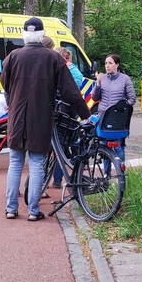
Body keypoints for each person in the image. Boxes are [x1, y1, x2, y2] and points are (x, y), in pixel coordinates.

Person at [1, 16, 89, 221]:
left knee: (15, 163)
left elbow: (5, 84)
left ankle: (11, 208)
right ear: (42, 35)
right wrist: (85, 114)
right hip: (40, 118)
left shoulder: (13, 57)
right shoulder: (53, 58)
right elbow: (70, 91)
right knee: (37, 162)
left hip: (17, 117)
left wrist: (14, 100)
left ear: (24, 35)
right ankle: (33, 210)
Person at [51, 48, 87, 188]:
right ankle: (69, 177)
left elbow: (67, 93)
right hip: (71, 112)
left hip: (64, 113)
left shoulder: (66, 71)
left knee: (61, 148)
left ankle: (59, 180)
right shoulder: (76, 71)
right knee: (69, 146)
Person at [90, 54, 136, 163]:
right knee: (104, 148)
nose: (107, 66)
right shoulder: (103, 78)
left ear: (117, 65)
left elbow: (132, 99)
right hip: (103, 117)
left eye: (110, 63)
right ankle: (106, 176)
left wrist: (121, 108)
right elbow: (95, 97)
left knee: (118, 146)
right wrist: (98, 83)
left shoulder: (125, 79)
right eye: (106, 63)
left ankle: (121, 174)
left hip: (118, 119)